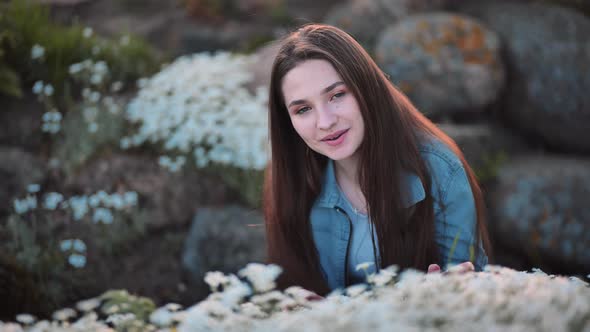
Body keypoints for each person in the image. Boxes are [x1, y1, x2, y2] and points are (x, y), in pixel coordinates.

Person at [263, 23, 491, 295]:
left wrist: (444, 290)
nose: (325, 122)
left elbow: (466, 292)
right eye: (303, 109)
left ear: (366, 88)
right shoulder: (296, 183)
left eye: (337, 95)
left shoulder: (439, 170)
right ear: (288, 121)